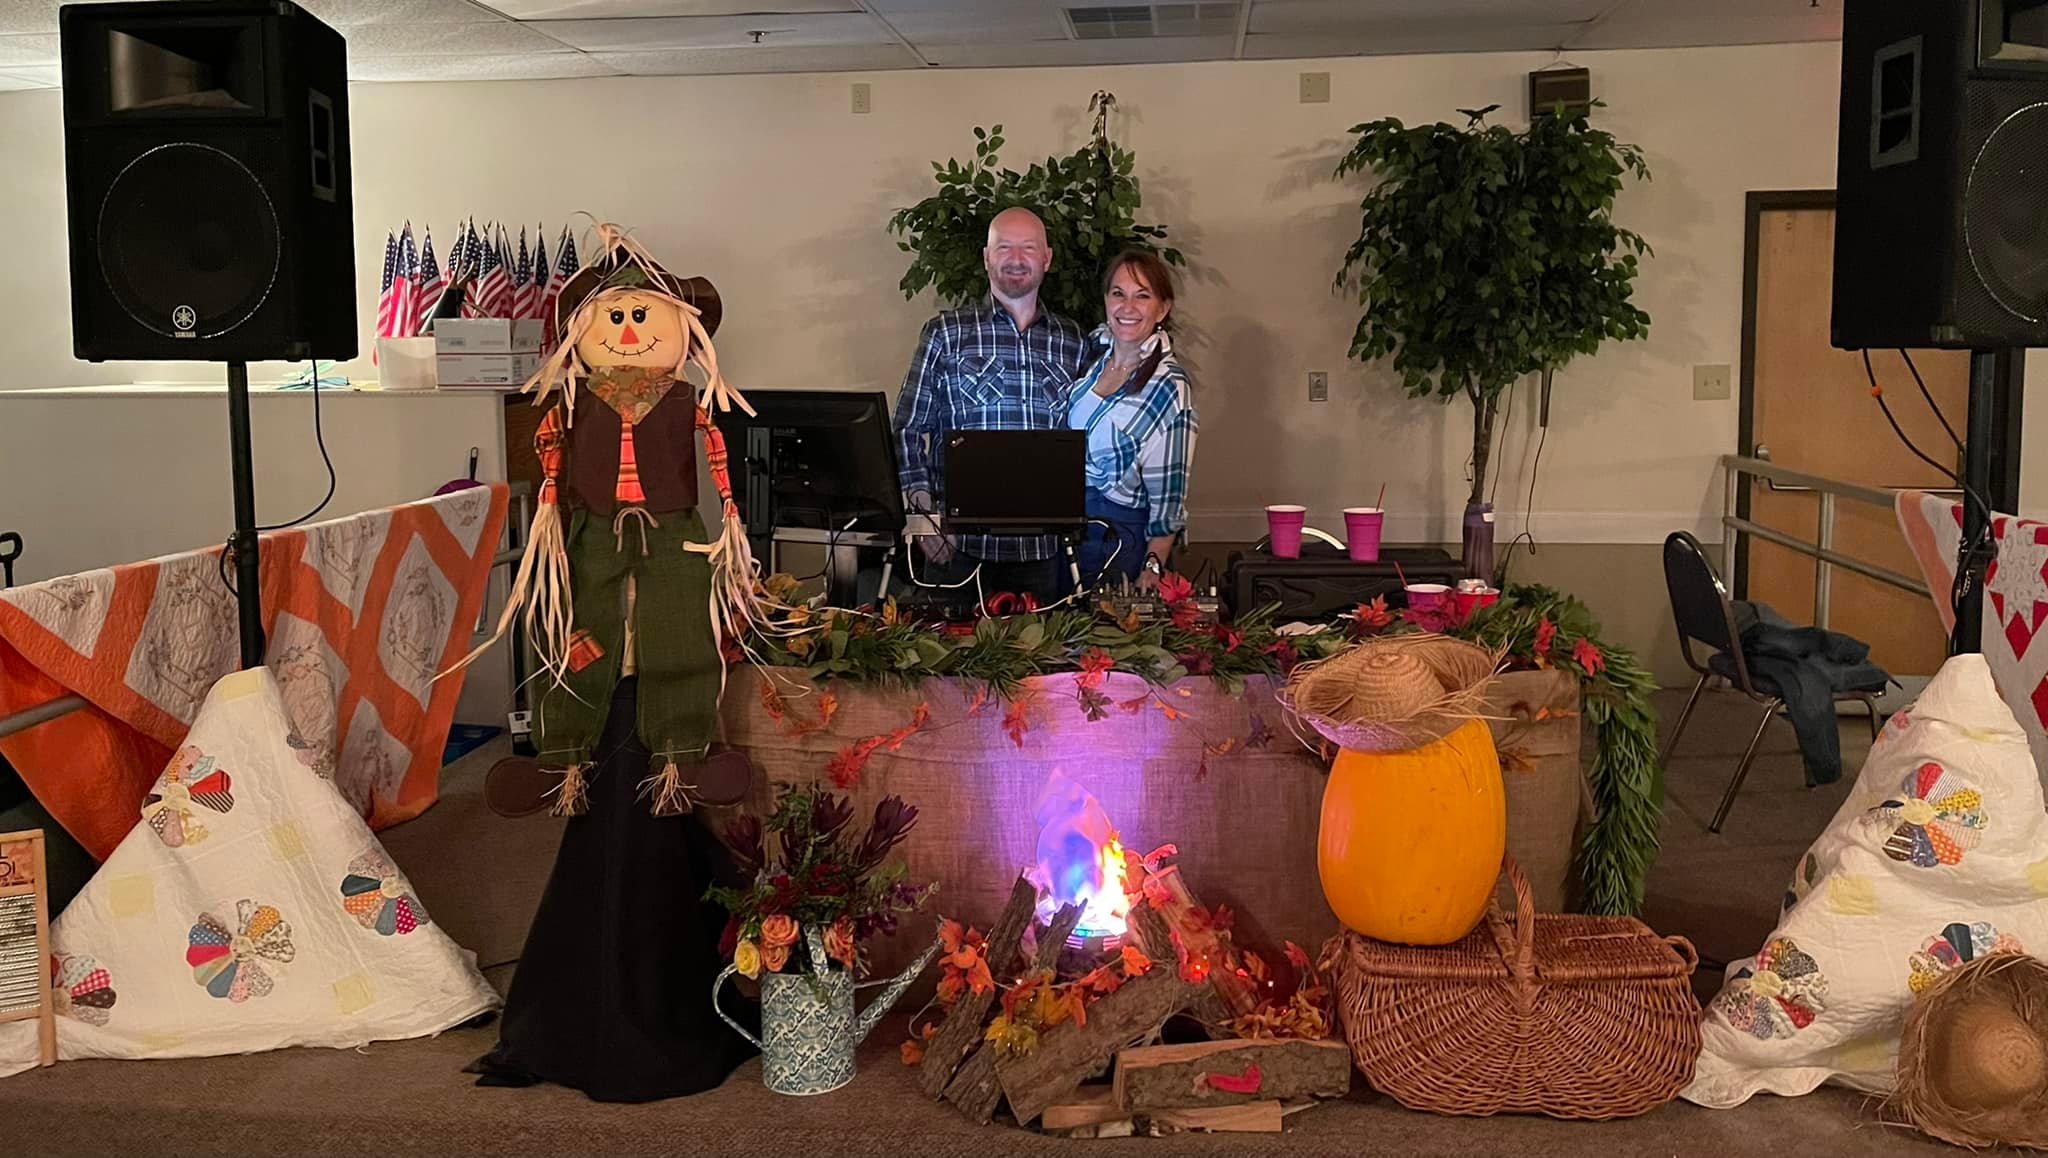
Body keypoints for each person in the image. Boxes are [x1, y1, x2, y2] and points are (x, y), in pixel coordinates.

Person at [892, 207, 1089, 602]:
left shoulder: (1074, 342)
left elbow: (1090, 440)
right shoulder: (946, 334)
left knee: (1044, 646)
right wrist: (923, 514)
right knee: (947, 646)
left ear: (1047, 258)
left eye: (1028, 248)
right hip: (956, 548)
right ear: (986, 257)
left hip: (1043, 552)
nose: (1016, 259)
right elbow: (907, 428)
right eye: (1004, 248)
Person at [1062, 250, 1197, 591]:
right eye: (1118, 293)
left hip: (1122, 540)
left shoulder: (1168, 386)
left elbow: (1169, 494)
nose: (1127, 307)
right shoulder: (1093, 360)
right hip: (1069, 534)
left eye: (1143, 296)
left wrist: (1152, 566)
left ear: (1162, 309)